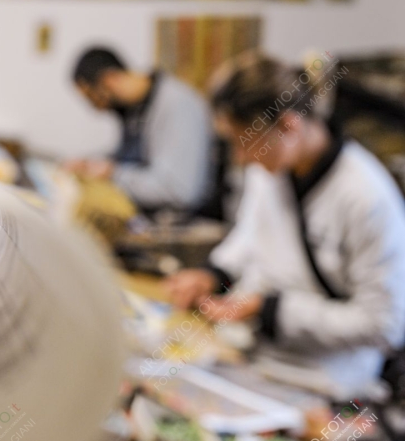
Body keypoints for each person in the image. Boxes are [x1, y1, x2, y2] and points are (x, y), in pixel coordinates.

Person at [166, 52, 405, 399]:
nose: (241, 157)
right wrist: (212, 274)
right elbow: (250, 236)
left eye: (243, 142)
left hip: (330, 381)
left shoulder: (366, 196)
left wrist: (271, 310)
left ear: (289, 125)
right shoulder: (270, 170)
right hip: (258, 358)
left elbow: (386, 325)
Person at [67, 47, 214, 215]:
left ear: (109, 80)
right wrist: (90, 164)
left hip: (185, 225)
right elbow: (129, 159)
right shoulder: (135, 110)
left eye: (93, 97)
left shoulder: (177, 105)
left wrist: (113, 175)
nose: (97, 109)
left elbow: (180, 191)